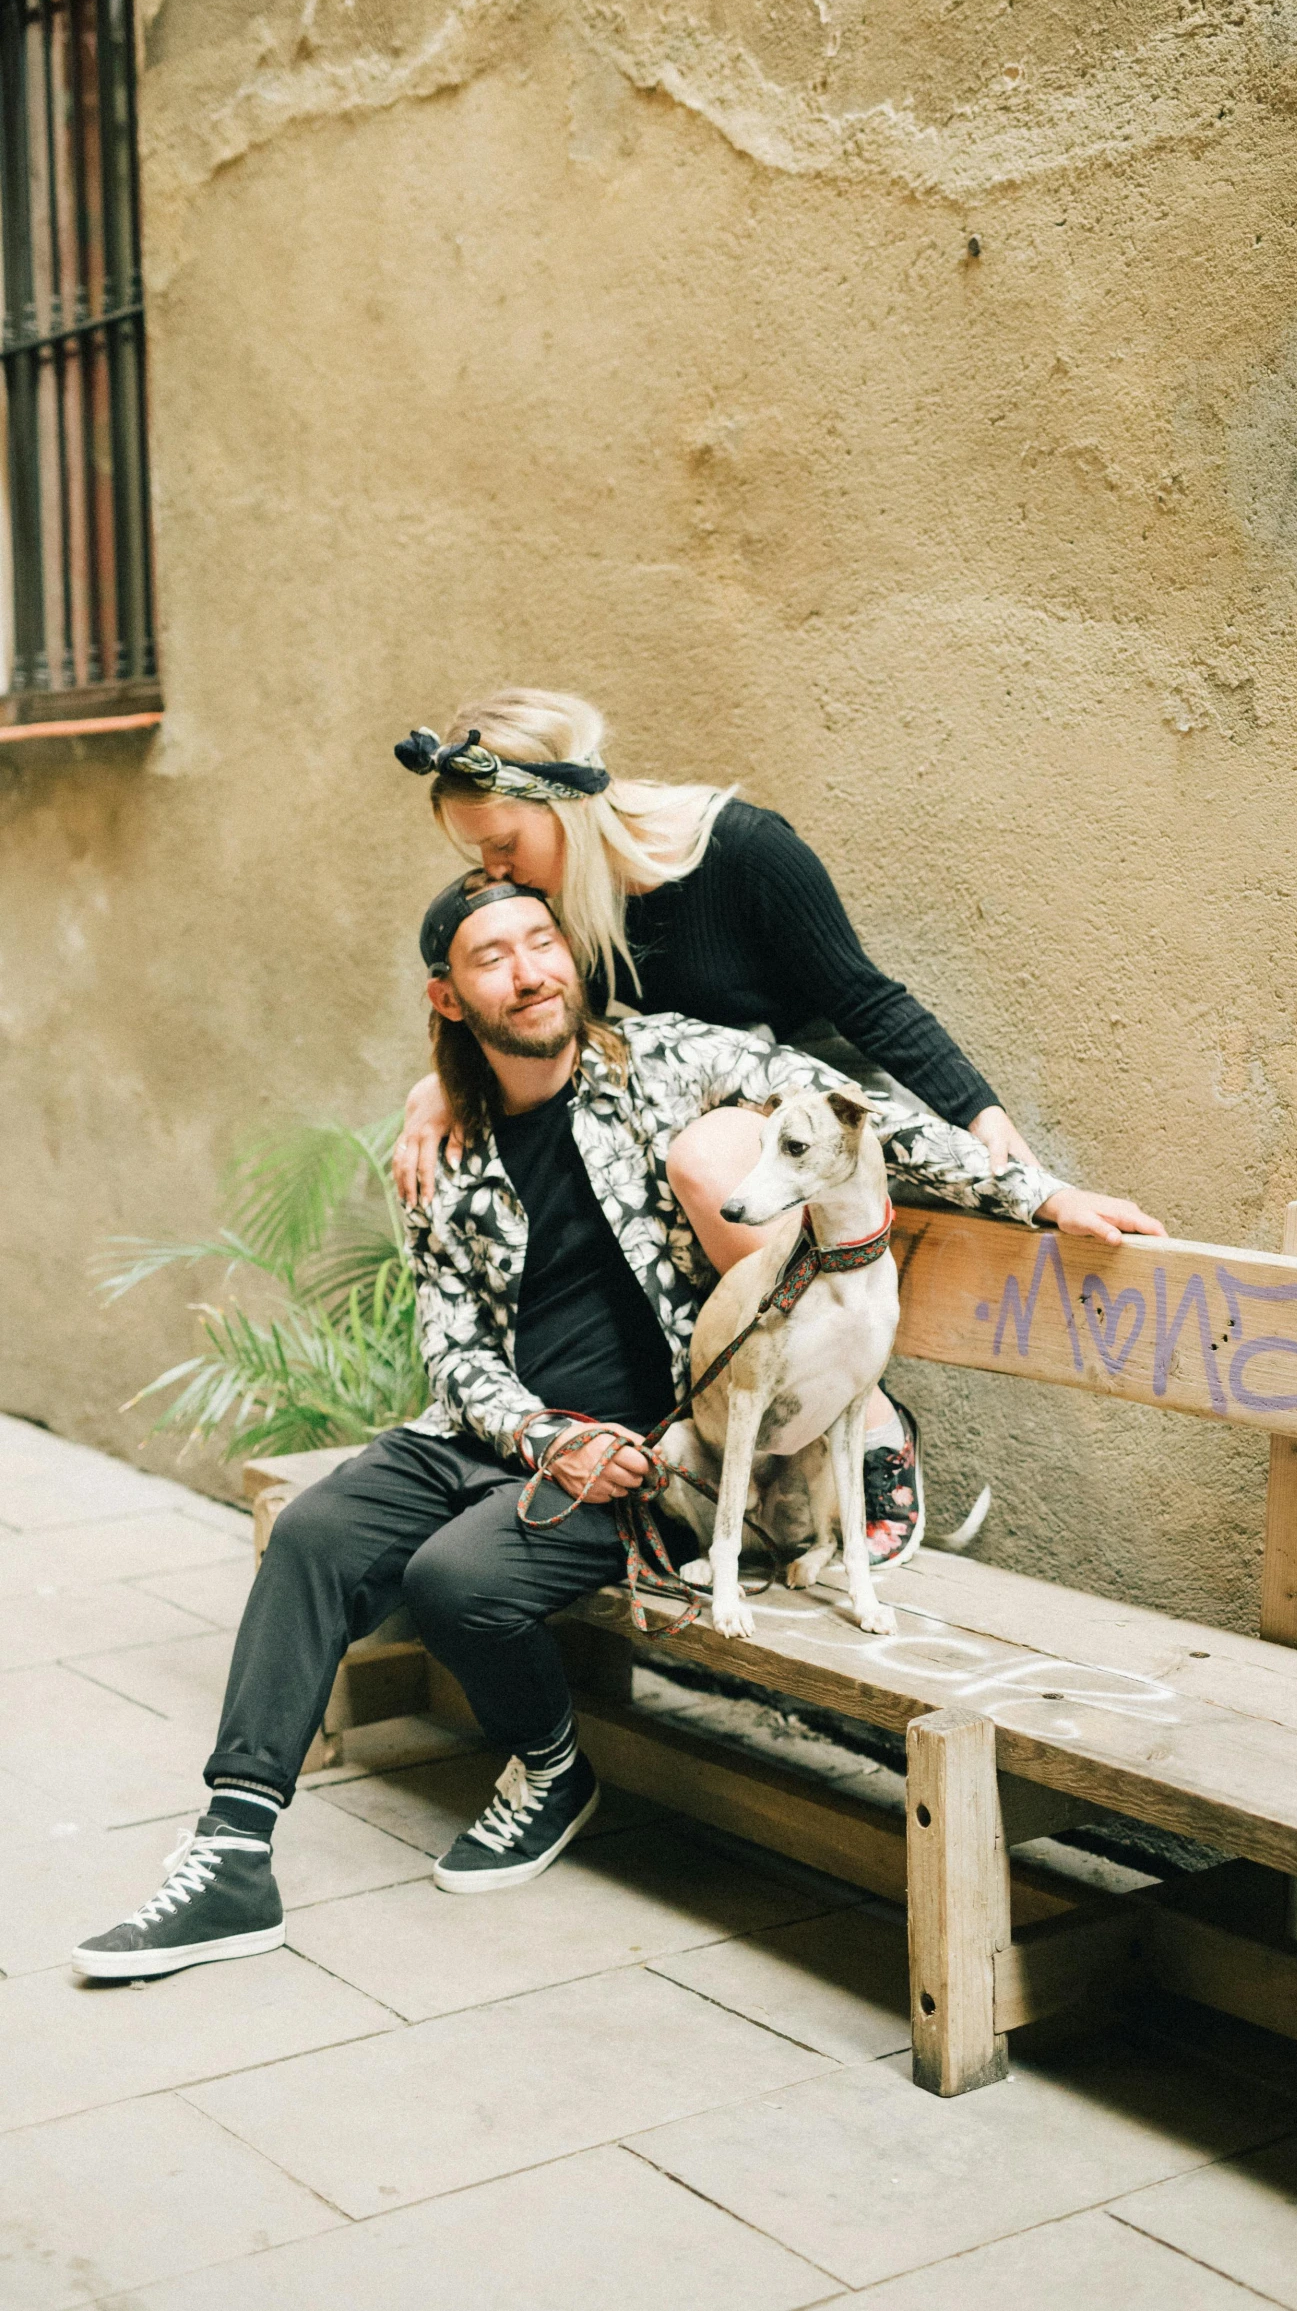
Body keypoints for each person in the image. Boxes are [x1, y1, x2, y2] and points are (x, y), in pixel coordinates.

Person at [72, 873, 1156, 1978]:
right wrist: (540, 1438)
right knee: (311, 1536)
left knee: (459, 1580)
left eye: (542, 942)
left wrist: (1037, 1196)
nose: (532, 970)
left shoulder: (670, 1062)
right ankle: (232, 1852)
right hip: (505, 1437)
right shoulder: (442, 1149)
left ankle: (550, 1769)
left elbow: (850, 1122)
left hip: (657, 1454)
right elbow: (452, 1347)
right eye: (493, 957)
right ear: (446, 998)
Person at [391, 688, 1164, 1567]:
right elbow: (561, 1039)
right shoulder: (569, 907)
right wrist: (445, 1082)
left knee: (705, 1148)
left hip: (817, 1127)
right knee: (685, 1151)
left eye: (504, 844)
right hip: (732, 1159)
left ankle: (870, 1420)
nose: (499, 872)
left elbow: (869, 1000)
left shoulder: (746, 853)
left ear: (561, 801)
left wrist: (1006, 1148)